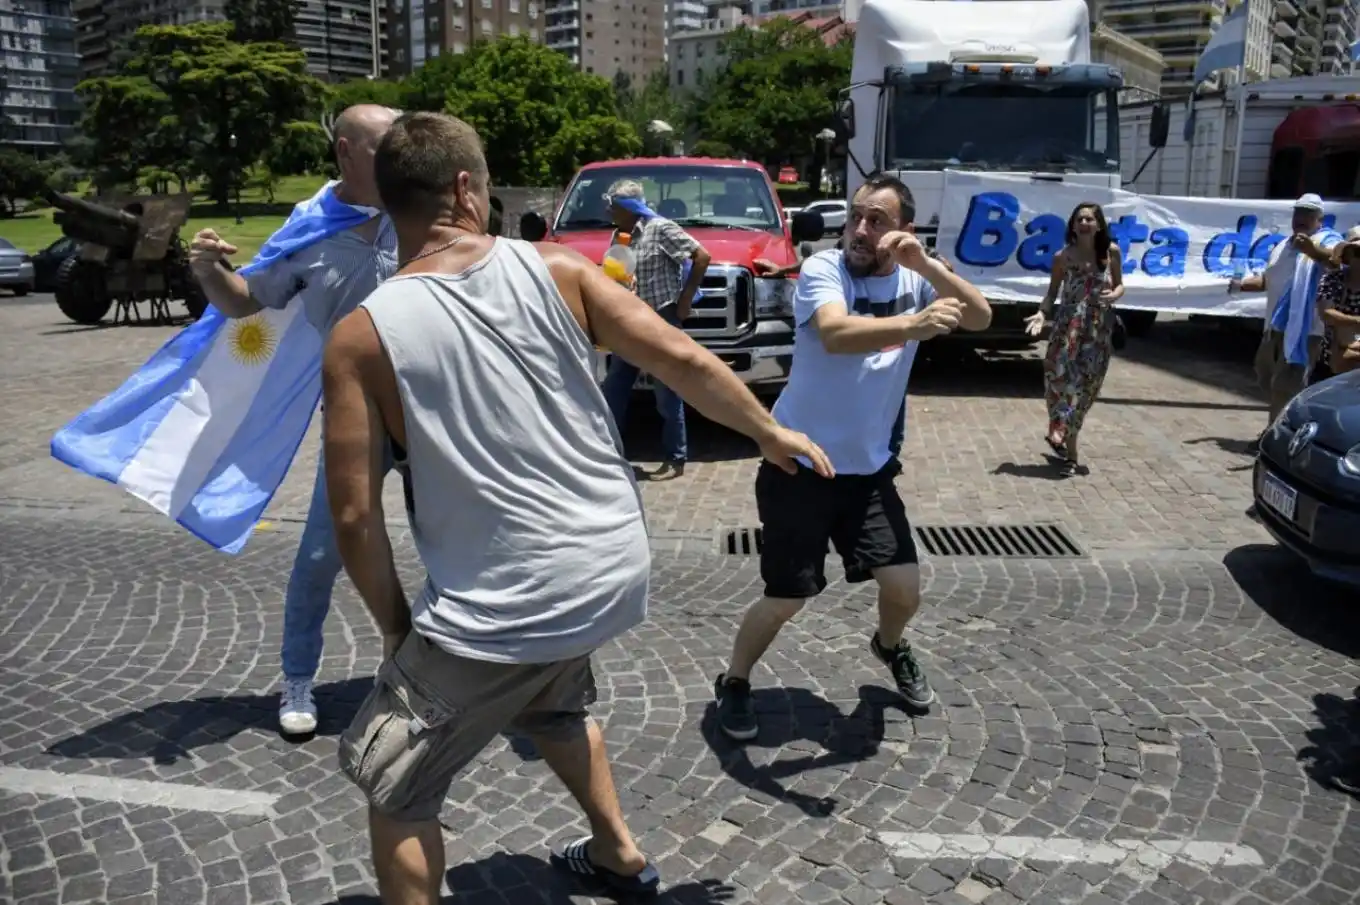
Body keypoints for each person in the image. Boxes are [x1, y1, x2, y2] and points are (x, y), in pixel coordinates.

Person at [320, 111, 832, 904]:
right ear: (465, 187)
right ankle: (619, 853)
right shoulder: (559, 270)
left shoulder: (360, 336)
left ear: (392, 201)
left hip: (504, 601)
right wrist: (768, 430)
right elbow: (684, 358)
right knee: (554, 701)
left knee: (394, 790)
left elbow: (355, 518)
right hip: (607, 566)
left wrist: (397, 634)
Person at [713, 173, 991, 741]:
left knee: (904, 586)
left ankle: (889, 645)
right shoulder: (824, 270)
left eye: (877, 221)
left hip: (867, 472)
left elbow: (981, 317)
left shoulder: (916, 280)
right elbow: (837, 334)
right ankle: (735, 681)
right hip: (800, 465)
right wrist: (913, 324)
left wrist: (929, 268)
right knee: (787, 597)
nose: (860, 230)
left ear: (902, 232)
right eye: (856, 216)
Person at [188, 104, 402, 738]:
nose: (400, 155)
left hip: (432, 413)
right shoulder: (309, 228)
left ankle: (431, 671)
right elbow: (247, 300)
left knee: (460, 544)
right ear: (345, 151)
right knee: (319, 553)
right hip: (356, 417)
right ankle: (298, 678)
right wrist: (209, 271)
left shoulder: (416, 208)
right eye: (385, 145)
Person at [599, 180, 712, 479]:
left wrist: (685, 299)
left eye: (612, 205)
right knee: (614, 389)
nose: (608, 210)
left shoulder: (660, 229)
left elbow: (701, 256)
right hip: (631, 324)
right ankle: (609, 456)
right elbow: (619, 273)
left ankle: (675, 459)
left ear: (627, 207)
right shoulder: (619, 235)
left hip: (662, 320)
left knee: (667, 394)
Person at [1022, 203, 1124, 477]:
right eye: (1079, 218)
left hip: (1098, 330)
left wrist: (1115, 295)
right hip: (1068, 328)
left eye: (1090, 219)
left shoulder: (1110, 252)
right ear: (1073, 225)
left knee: (1086, 388)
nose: (1084, 222)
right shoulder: (1062, 257)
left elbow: (1120, 284)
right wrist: (1042, 314)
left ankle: (1066, 440)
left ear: (1099, 225)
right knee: (1058, 378)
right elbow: (1052, 292)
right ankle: (1065, 440)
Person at [1228, 194, 1343, 431]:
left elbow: (1338, 265)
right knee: (1264, 374)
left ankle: (1276, 435)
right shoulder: (1282, 246)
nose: (1302, 218)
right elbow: (1268, 281)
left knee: (1285, 385)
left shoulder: (1329, 242)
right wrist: (1240, 285)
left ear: (1320, 219)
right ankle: (1294, 417)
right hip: (1275, 326)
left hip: (1305, 330)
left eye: (1309, 214)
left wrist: (1313, 251)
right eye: (1298, 213)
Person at [1310, 227, 1360, 384]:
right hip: (1328, 365)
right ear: (1348, 256)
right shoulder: (1332, 279)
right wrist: (1357, 322)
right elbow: (1327, 314)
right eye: (1358, 253)